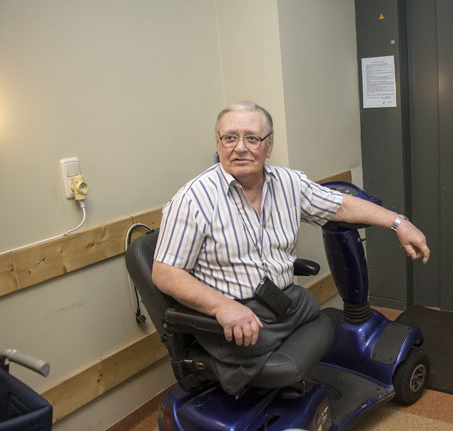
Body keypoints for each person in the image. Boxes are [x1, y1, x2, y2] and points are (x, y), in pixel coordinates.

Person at [152, 101, 430, 395]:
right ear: (218, 143)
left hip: (284, 302)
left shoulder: (288, 183)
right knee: (286, 341)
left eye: (252, 138)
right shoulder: (192, 200)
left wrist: (399, 223)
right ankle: (242, 377)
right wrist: (223, 307)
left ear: (269, 145)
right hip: (239, 316)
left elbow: (342, 206)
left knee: (321, 319)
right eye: (230, 137)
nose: (240, 148)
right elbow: (165, 273)